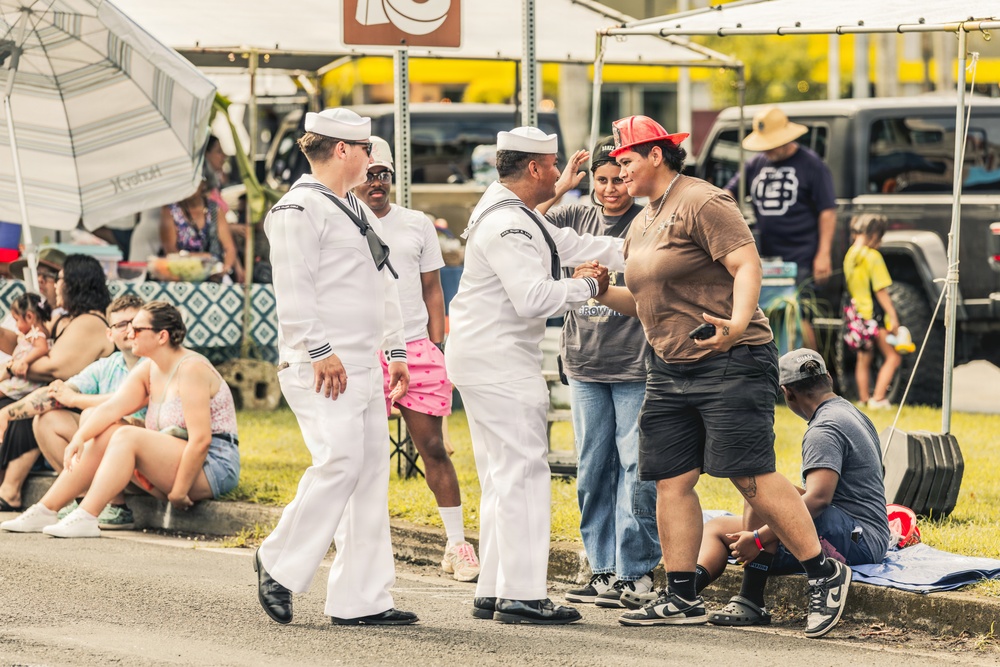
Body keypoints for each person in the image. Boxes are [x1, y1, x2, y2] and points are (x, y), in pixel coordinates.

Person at [595, 115, 850, 639]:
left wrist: (735, 326)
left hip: (731, 357)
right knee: (671, 479)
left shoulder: (703, 201)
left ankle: (823, 572)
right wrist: (599, 291)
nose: (618, 175)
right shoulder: (643, 220)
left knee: (748, 473)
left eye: (625, 162)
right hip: (668, 365)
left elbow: (747, 265)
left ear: (656, 156)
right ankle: (681, 594)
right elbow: (641, 301)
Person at [445, 126, 623, 625]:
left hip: (484, 357)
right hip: (499, 361)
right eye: (552, 165)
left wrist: (642, 251)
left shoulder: (509, 210)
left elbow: (570, 241)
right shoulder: (510, 224)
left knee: (503, 476)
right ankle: (523, 593)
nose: (560, 171)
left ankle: (496, 588)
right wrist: (588, 285)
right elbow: (534, 296)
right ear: (533, 169)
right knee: (524, 473)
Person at [254, 108, 417, 627]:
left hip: (361, 363)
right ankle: (277, 562)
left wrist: (394, 350)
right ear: (343, 150)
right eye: (367, 149)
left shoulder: (350, 207)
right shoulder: (298, 208)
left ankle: (362, 598)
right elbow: (293, 288)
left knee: (368, 475)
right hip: (322, 363)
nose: (374, 160)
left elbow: (382, 281)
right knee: (341, 460)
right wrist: (320, 350)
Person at [537, 136, 659, 608]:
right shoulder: (573, 216)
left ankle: (636, 571)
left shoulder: (646, 222)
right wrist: (564, 184)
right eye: (601, 181)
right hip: (584, 363)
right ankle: (601, 568)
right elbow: (526, 219)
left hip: (633, 365)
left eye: (619, 179)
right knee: (592, 468)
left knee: (634, 466)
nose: (611, 190)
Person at [352, 136, 480, 583]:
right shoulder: (343, 221)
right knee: (359, 455)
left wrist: (437, 346)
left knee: (433, 448)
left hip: (416, 346)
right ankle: (359, 546)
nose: (377, 184)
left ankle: (457, 544)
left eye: (383, 176)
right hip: (362, 348)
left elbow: (432, 289)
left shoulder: (417, 224)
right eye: (369, 176)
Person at [1, 301, 240, 538]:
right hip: (173, 458)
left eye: (136, 329)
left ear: (162, 336)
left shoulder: (191, 369)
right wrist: (80, 438)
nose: (129, 333)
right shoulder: (150, 369)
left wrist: (179, 492)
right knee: (107, 429)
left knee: (125, 435)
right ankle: (46, 509)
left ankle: (87, 515)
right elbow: (112, 408)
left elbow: (201, 441)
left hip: (210, 467)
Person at [695, 349, 890, 627]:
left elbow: (819, 499)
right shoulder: (849, 412)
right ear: (829, 379)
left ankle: (751, 599)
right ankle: (686, 594)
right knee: (717, 527)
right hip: (860, 531)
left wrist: (759, 538)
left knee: (760, 490)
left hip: (859, 540)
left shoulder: (824, 429)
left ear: (787, 393)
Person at [0, 294, 147, 530]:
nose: (130, 330)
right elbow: (56, 392)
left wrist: (77, 399)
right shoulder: (108, 365)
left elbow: (128, 400)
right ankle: (84, 498)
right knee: (46, 419)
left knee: (97, 418)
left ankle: (113, 506)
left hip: (146, 461)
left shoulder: (155, 361)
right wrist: (7, 413)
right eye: (121, 325)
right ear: (110, 334)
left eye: (136, 323)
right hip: (111, 460)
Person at [0, 254, 114, 512]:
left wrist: (12, 365)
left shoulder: (89, 322)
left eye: (56, 278)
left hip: (85, 411)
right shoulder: (65, 320)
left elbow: (54, 367)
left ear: (76, 283)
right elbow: (22, 343)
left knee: (31, 414)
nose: (51, 285)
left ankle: (16, 490)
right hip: (66, 403)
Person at [725, 106, 836, 350]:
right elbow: (728, 192)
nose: (768, 149)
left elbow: (828, 210)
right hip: (766, 256)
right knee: (770, 315)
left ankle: (811, 373)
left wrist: (823, 253)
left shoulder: (811, 165)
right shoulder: (756, 164)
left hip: (803, 254)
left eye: (772, 144)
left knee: (799, 316)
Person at [844, 214, 902, 409]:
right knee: (893, 357)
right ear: (875, 235)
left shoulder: (850, 256)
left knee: (863, 359)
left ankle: (863, 399)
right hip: (874, 316)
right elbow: (881, 290)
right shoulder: (873, 257)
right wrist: (893, 316)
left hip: (856, 315)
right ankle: (878, 398)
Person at [160, 180, 244, 283]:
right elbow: (170, 252)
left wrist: (225, 268)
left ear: (203, 184)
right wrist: (200, 258)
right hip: (181, 278)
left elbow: (229, 248)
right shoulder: (171, 210)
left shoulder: (215, 209)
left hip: (213, 278)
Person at [0, 293, 51, 400]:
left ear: (29, 317)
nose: (15, 325)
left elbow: (42, 348)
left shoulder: (37, 335)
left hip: (25, 381)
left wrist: (24, 361)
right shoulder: (31, 335)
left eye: (17, 320)